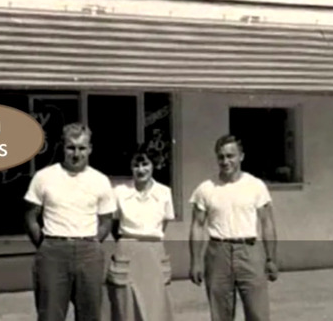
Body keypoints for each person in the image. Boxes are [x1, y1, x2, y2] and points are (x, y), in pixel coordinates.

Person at [24, 123, 117, 321]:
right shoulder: (44, 177)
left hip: (89, 252)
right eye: (71, 147)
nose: (76, 153)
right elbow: (31, 216)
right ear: (62, 147)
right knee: (50, 313)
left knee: (90, 314)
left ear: (90, 149)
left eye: (82, 148)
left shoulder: (100, 180)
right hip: (53, 251)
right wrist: (45, 244)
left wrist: (91, 242)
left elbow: (106, 221)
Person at [188, 135, 279, 321]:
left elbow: (267, 223)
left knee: (258, 312)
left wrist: (271, 258)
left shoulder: (255, 186)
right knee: (220, 313)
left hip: (249, 251)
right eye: (221, 157)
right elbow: (197, 225)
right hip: (217, 252)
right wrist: (196, 261)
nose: (225, 161)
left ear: (241, 157)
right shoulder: (206, 188)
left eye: (231, 156)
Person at [106, 144, 176, 321]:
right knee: (126, 304)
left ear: (153, 165)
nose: (141, 169)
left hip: (153, 252)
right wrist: (130, 240)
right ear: (130, 167)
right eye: (136, 165)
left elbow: (163, 224)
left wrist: (147, 241)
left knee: (156, 306)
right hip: (127, 252)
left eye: (145, 164)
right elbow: (114, 226)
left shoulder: (164, 192)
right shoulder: (120, 192)